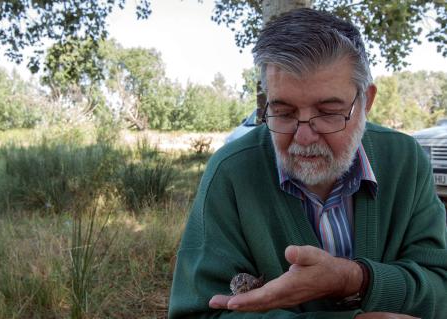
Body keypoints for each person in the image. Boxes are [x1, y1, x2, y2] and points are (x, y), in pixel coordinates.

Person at [168, 8, 447, 319]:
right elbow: (198, 313)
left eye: (328, 112)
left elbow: (441, 288)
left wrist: (354, 278)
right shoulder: (231, 173)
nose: (303, 136)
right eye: (284, 112)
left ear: (366, 101)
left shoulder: (405, 160)